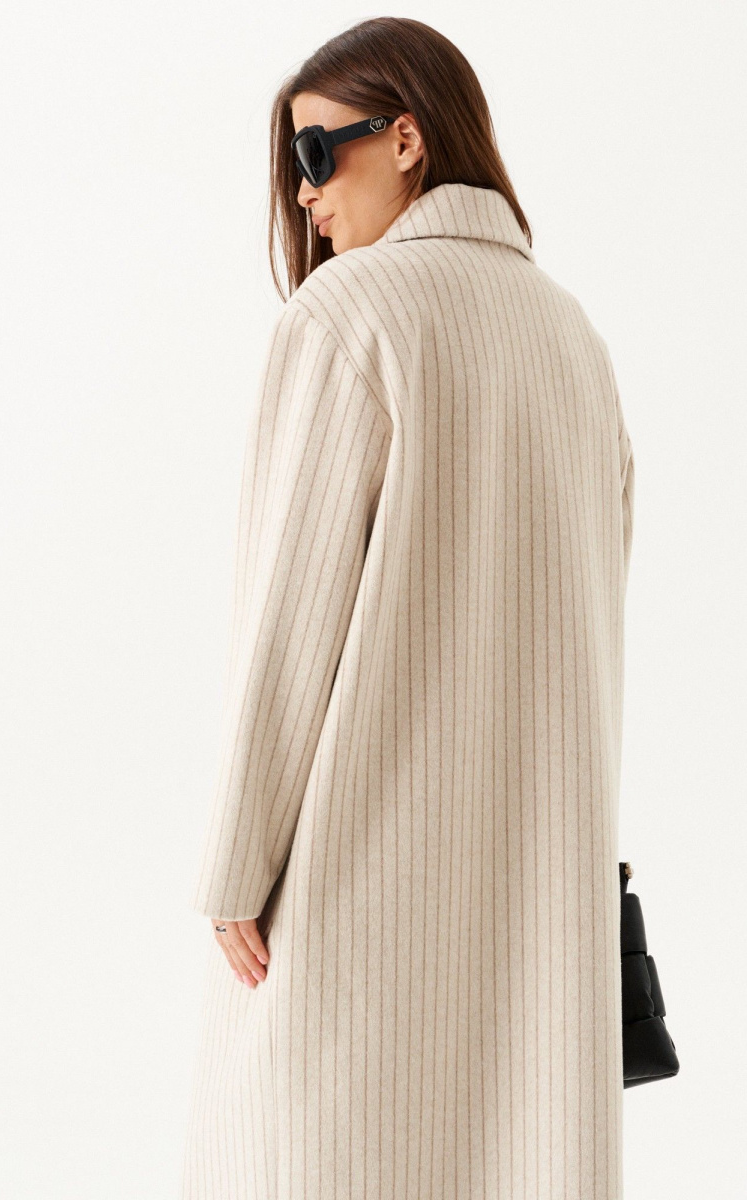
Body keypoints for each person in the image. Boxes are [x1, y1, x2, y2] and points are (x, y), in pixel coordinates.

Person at [179, 16, 635, 1200]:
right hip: (537, 887)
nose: (303, 192)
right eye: (291, 164)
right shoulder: (571, 338)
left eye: (316, 153)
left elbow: (288, 627)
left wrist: (234, 863)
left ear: (407, 139)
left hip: (359, 877)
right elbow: (593, 618)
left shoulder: (347, 316)